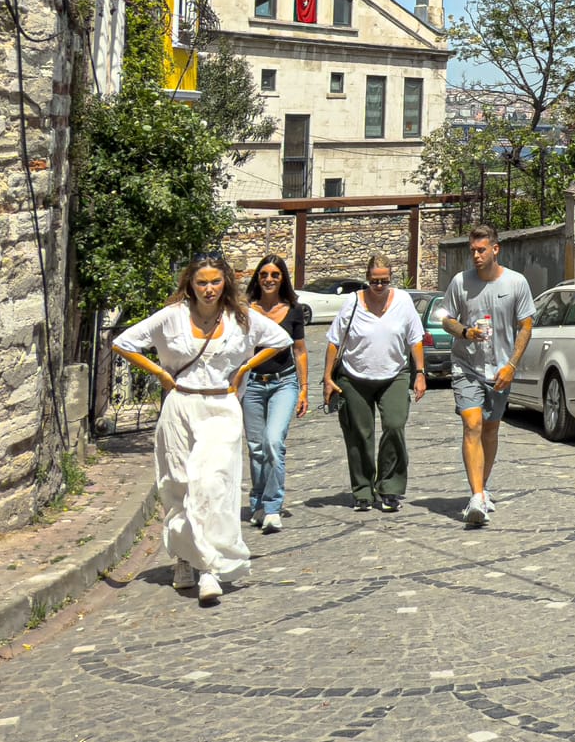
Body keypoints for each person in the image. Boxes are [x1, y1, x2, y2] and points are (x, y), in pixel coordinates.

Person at [114, 253, 292, 604]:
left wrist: (244, 370)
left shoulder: (240, 318)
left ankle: (210, 569)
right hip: (181, 405)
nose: (209, 289)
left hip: (222, 408)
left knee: (211, 484)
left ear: (225, 281)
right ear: (190, 285)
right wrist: (160, 373)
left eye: (215, 281)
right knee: (179, 485)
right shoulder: (172, 317)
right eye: (202, 282)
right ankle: (184, 559)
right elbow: (123, 343)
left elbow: (280, 340)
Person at [439, 224, 533, 527]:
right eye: (472, 251)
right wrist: (465, 331)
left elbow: (526, 326)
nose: (476, 256)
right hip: (466, 366)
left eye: (481, 250)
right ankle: (477, 496)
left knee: (491, 429)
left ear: (495, 249)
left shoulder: (516, 283)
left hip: (501, 370)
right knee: (472, 424)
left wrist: (512, 365)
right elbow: (446, 320)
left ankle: (482, 486)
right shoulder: (460, 282)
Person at [322, 255, 427, 513]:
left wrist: (421, 373)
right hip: (355, 377)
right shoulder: (353, 303)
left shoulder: (402, 301)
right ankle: (363, 491)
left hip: (394, 375)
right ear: (367, 279)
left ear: (391, 278)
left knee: (394, 425)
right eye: (374, 281)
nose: (379, 286)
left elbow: (415, 339)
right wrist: (327, 379)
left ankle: (390, 488)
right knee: (360, 434)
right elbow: (334, 341)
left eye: (384, 281)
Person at [242, 255, 310, 531]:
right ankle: (257, 502)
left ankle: (272, 506)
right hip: (253, 384)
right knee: (255, 448)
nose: (269, 279)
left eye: (275, 275)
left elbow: (300, 350)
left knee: (273, 442)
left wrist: (304, 389)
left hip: (284, 382)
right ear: (257, 278)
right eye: (264, 275)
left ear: (283, 279)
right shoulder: (246, 310)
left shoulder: (293, 309)